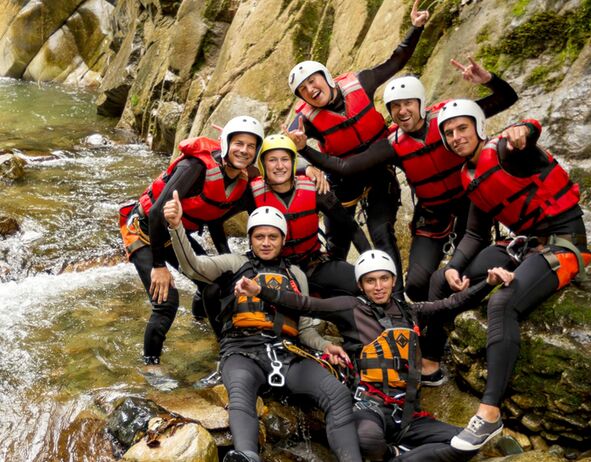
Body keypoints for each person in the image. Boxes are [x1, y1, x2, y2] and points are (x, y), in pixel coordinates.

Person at [426, 99, 591, 450]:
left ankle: (489, 415)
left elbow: (527, 137)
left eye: (462, 128)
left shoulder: (507, 151)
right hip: (522, 243)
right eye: (449, 133)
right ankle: (429, 363)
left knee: (502, 303)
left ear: (477, 127)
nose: (456, 137)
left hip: (562, 243)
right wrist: (456, 266)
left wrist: (526, 129)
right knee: (440, 279)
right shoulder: (468, 176)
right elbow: (474, 234)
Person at [235, 249, 512, 461]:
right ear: (361, 285)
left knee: (465, 442)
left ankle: (397, 456)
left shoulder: (411, 311)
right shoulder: (349, 308)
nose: (378, 286)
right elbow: (304, 303)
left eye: (383, 279)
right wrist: (260, 291)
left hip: (408, 414)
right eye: (370, 281)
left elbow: (453, 302)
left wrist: (487, 283)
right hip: (369, 408)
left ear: (392, 281)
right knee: (365, 440)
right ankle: (396, 455)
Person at [289, 57, 517, 307]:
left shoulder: (450, 122)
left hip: (470, 212)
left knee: (459, 273)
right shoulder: (393, 145)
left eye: (408, 104)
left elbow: (505, 99)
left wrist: (488, 80)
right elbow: (346, 166)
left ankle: (457, 300)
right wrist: (307, 159)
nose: (402, 111)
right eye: (395, 107)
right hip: (432, 216)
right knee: (416, 287)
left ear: (420, 103)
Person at [163, 202, 363, 462]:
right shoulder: (235, 264)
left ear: (282, 240)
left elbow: (303, 330)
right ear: (250, 239)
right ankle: (247, 455)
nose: (266, 242)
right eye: (259, 236)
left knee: (336, 394)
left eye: (272, 236)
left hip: (287, 355)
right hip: (241, 352)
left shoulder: (297, 276)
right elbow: (193, 267)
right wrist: (177, 227)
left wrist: (324, 345)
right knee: (240, 389)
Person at [286, 0, 431, 298]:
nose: (312, 89)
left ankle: (397, 300)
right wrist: (308, 165)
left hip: (378, 171)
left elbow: (395, 61)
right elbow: (282, 153)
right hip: (343, 180)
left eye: (314, 81)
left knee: (381, 233)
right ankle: (338, 301)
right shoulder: (304, 120)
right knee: (336, 247)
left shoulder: (360, 83)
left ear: (325, 77)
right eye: (304, 89)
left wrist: (415, 29)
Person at [118, 115, 264, 367]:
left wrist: (224, 258)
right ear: (226, 143)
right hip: (144, 230)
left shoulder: (241, 179)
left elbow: (214, 213)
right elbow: (156, 213)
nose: (244, 150)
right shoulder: (195, 168)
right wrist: (159, 267)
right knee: (166, 303)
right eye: (239, 143)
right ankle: (151, 367)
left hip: (175, 232)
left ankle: (205, 326)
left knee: (214, 283)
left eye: (251, 146)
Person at [251, 134, 371, 297]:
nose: (279, 166)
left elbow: (351, 228)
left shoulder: (315, 189)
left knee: (364, 284)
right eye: (272, 160)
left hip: (313, 265)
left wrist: (371, 262)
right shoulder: (251, 193)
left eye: (285, 159)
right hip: (272, 268)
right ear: (263, 164)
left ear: (293, 162)